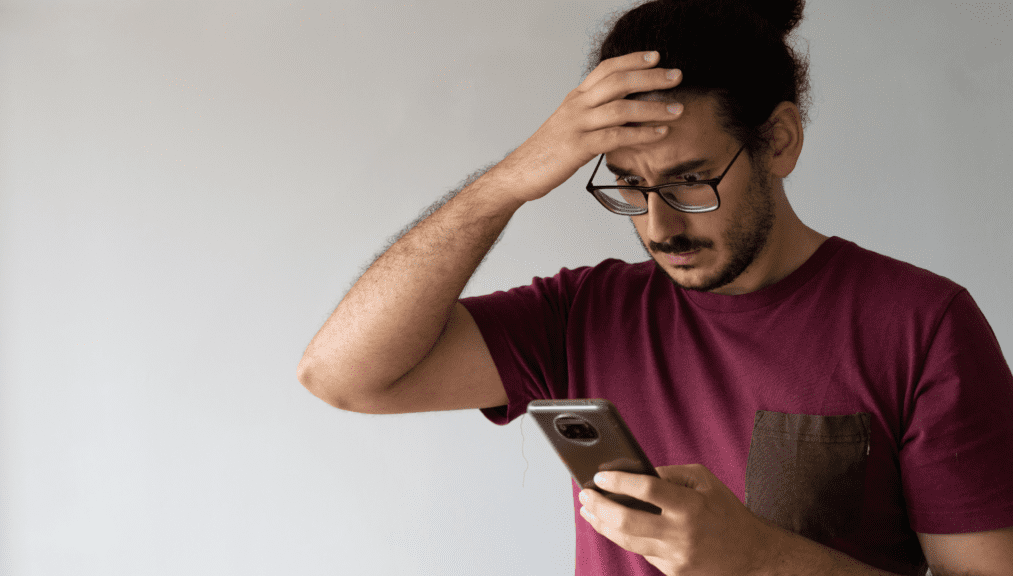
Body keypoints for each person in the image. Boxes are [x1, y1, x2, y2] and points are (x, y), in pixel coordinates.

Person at [297, 0, 1013, 574]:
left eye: (690, 181)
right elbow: (341, 376)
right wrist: (509, 183)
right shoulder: (581, 313)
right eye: (631, 187)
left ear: (779, 142)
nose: (660, 224)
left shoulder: (923, 324)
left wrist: (760, 560)